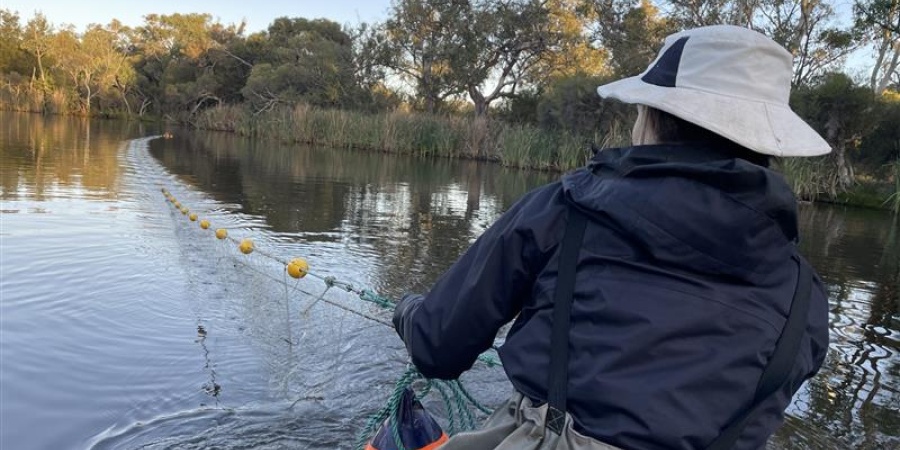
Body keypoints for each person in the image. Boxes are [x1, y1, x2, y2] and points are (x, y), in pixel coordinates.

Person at [392, 25, 830, 450]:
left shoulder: (565, 210)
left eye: (640, 111)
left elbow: (438, 346)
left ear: (654, 121)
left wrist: (407, 310)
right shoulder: (805, 296)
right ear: (766, 144)